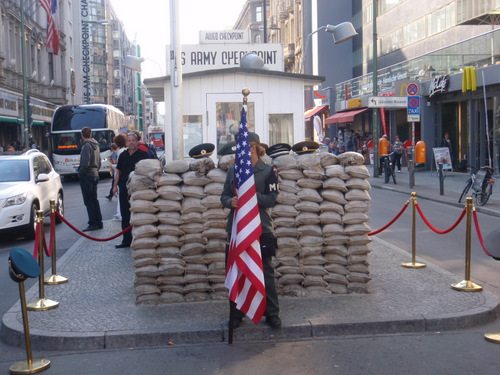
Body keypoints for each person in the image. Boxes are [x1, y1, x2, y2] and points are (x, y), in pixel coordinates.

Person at [221, 132, 281, 329]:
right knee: (238, 270)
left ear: (253, 148)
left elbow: (271, 199)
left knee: (265, 271)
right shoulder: (233, 171)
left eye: (242, 147)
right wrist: (232, 201)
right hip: (237, 229)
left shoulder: (268, 170)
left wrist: (250, 195)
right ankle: (236, 314)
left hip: (261, 228)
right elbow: (224, 197)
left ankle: (271, 313)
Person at [112, 132, 149, 248]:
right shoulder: (122, 155)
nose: (131, 142)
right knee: (125, 214)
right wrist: (114, 187)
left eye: (133, 140)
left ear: (137, 142)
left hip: (139, 189)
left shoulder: (144, 155)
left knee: (139, 213)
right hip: (124, 188)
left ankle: (141, 239)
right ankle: (126, 240)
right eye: (129, 140)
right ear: (126, 142)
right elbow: (118, 172)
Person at [78, 127, 103, 232]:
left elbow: (85, 163)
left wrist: (80, 172)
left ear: (82, 135)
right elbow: (99, 161)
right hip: (95, 173)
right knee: (94, 199)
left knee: (88, 200)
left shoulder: (86, 146)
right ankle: (99, 221)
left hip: (87, 175)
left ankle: (92, 223)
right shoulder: (96, 145)